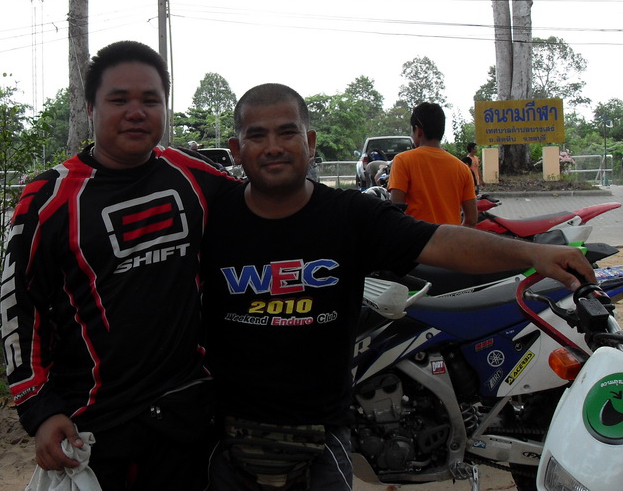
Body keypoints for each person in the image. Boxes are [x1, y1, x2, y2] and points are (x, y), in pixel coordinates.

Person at [200, 83, 595, 491]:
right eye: (257, 135)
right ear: (236, 148)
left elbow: (442, 241)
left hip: (322, 439)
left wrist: (532, 253)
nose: (273, 147)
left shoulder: (349, 215)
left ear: (310, 142)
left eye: (287, 132)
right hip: (225, 437)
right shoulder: (209, 217)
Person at [1, 40, 238, 490]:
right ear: (91, 107)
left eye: (151, 100)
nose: (136, 112)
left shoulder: (194, 175)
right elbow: (19, 307)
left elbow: (267, 212)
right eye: (119, 100)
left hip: (186, 414)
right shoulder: (48, 198)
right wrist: (39, 408)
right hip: (93, 423)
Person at [387, 102, 477, 226]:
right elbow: (471, 219)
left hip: (416, 237)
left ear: (418, 131)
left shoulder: (402, 160)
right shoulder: (462, 168)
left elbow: (395, 210)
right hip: (448, 237)